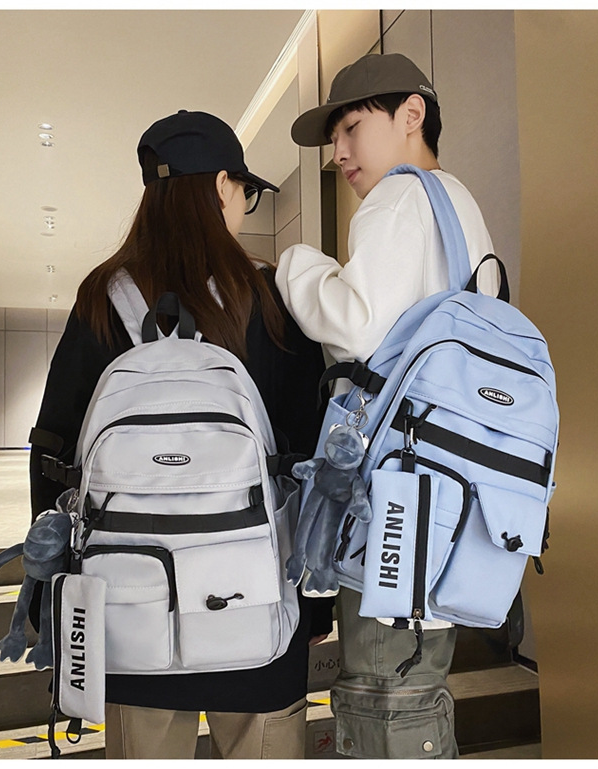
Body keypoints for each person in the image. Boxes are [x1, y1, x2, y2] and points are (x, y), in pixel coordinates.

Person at [28, 110, 333, 760]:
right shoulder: (268, 297)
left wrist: (50, 585)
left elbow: (53, 451)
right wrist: (315, 602)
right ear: (222, 185)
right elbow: (308, 457)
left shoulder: (102, 297)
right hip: (253, 597)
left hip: (131, 602)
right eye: (245, 191)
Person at [275, 53, 498, 759]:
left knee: (384, 699)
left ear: (411, 115)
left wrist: (296, 264)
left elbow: (355, 326)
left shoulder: (400, 197)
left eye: (350, 128)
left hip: (396, 504)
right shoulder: (460, 206)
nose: (338, 153)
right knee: (415, 687)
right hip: (454, 499)